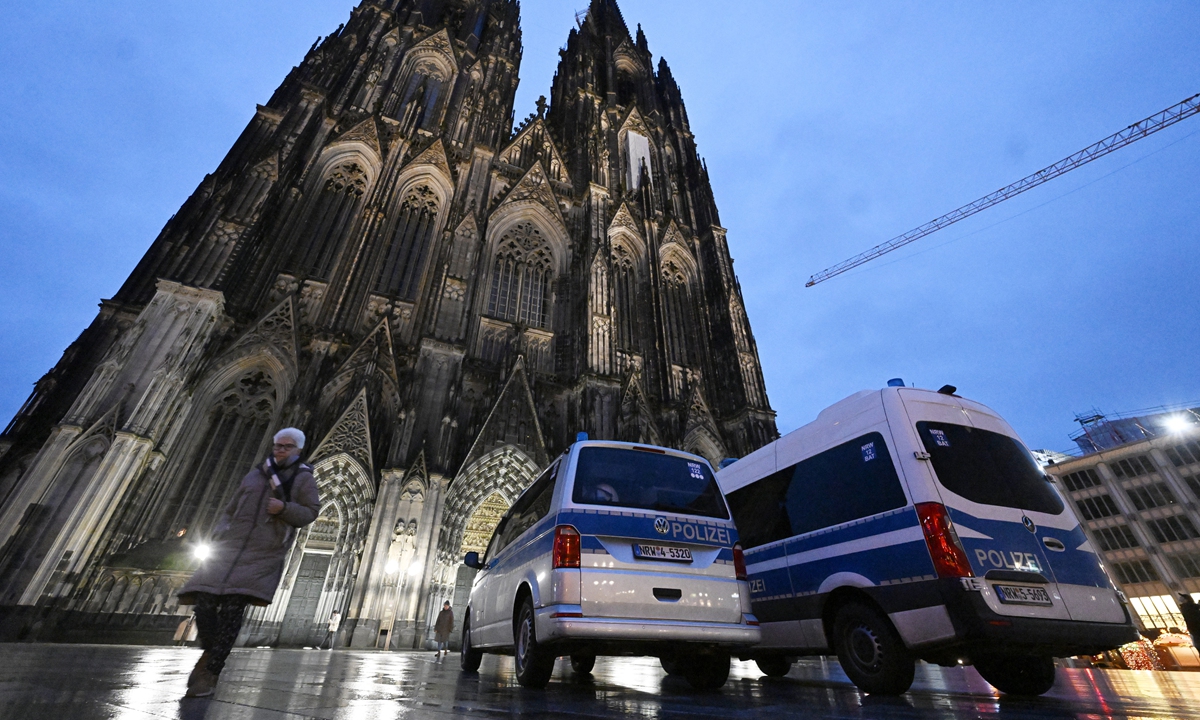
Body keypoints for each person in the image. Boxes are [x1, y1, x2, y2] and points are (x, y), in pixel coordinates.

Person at [177, 428, 320, 698]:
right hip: (230, 548)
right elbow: (231, 507)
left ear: (298, 450)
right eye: (278, 445)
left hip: (262, 551)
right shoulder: (256, 474)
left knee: (232, 611)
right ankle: (210, 651)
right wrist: (221, 531)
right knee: (204, 604)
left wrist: (284, 509)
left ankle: (211, 672)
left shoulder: (302, 478)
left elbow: (310, 512)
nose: (280, 450)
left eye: (286, 446)